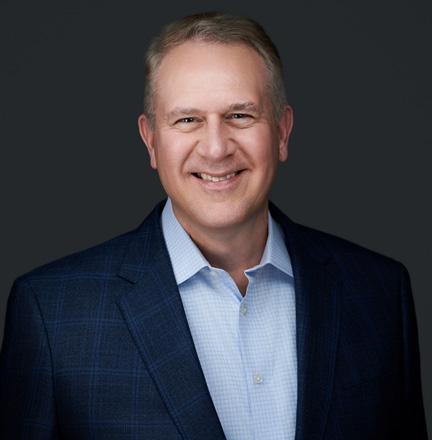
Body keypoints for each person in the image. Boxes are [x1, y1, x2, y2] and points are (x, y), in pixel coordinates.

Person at [0, 11, 428, 440]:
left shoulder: (378, 292)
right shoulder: (53, 315)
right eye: (187, 120)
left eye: (240, 115)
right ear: (151, 140)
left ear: (282, 132)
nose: (216, 148)